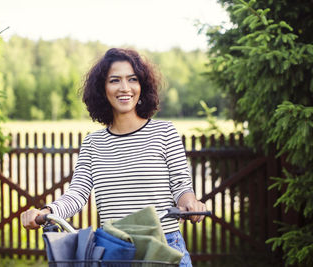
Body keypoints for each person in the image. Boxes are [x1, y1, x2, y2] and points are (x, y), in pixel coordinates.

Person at [21, 48, 206, 266]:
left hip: (164, 248)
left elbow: (181, 186)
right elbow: (77, 193)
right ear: (103, 89)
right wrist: (47, 211)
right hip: (116, 251)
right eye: (115, 80)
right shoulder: (93, 143)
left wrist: (191, 204)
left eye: (132, 79)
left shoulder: (165, 132)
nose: (125, 88)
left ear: (142, 86)